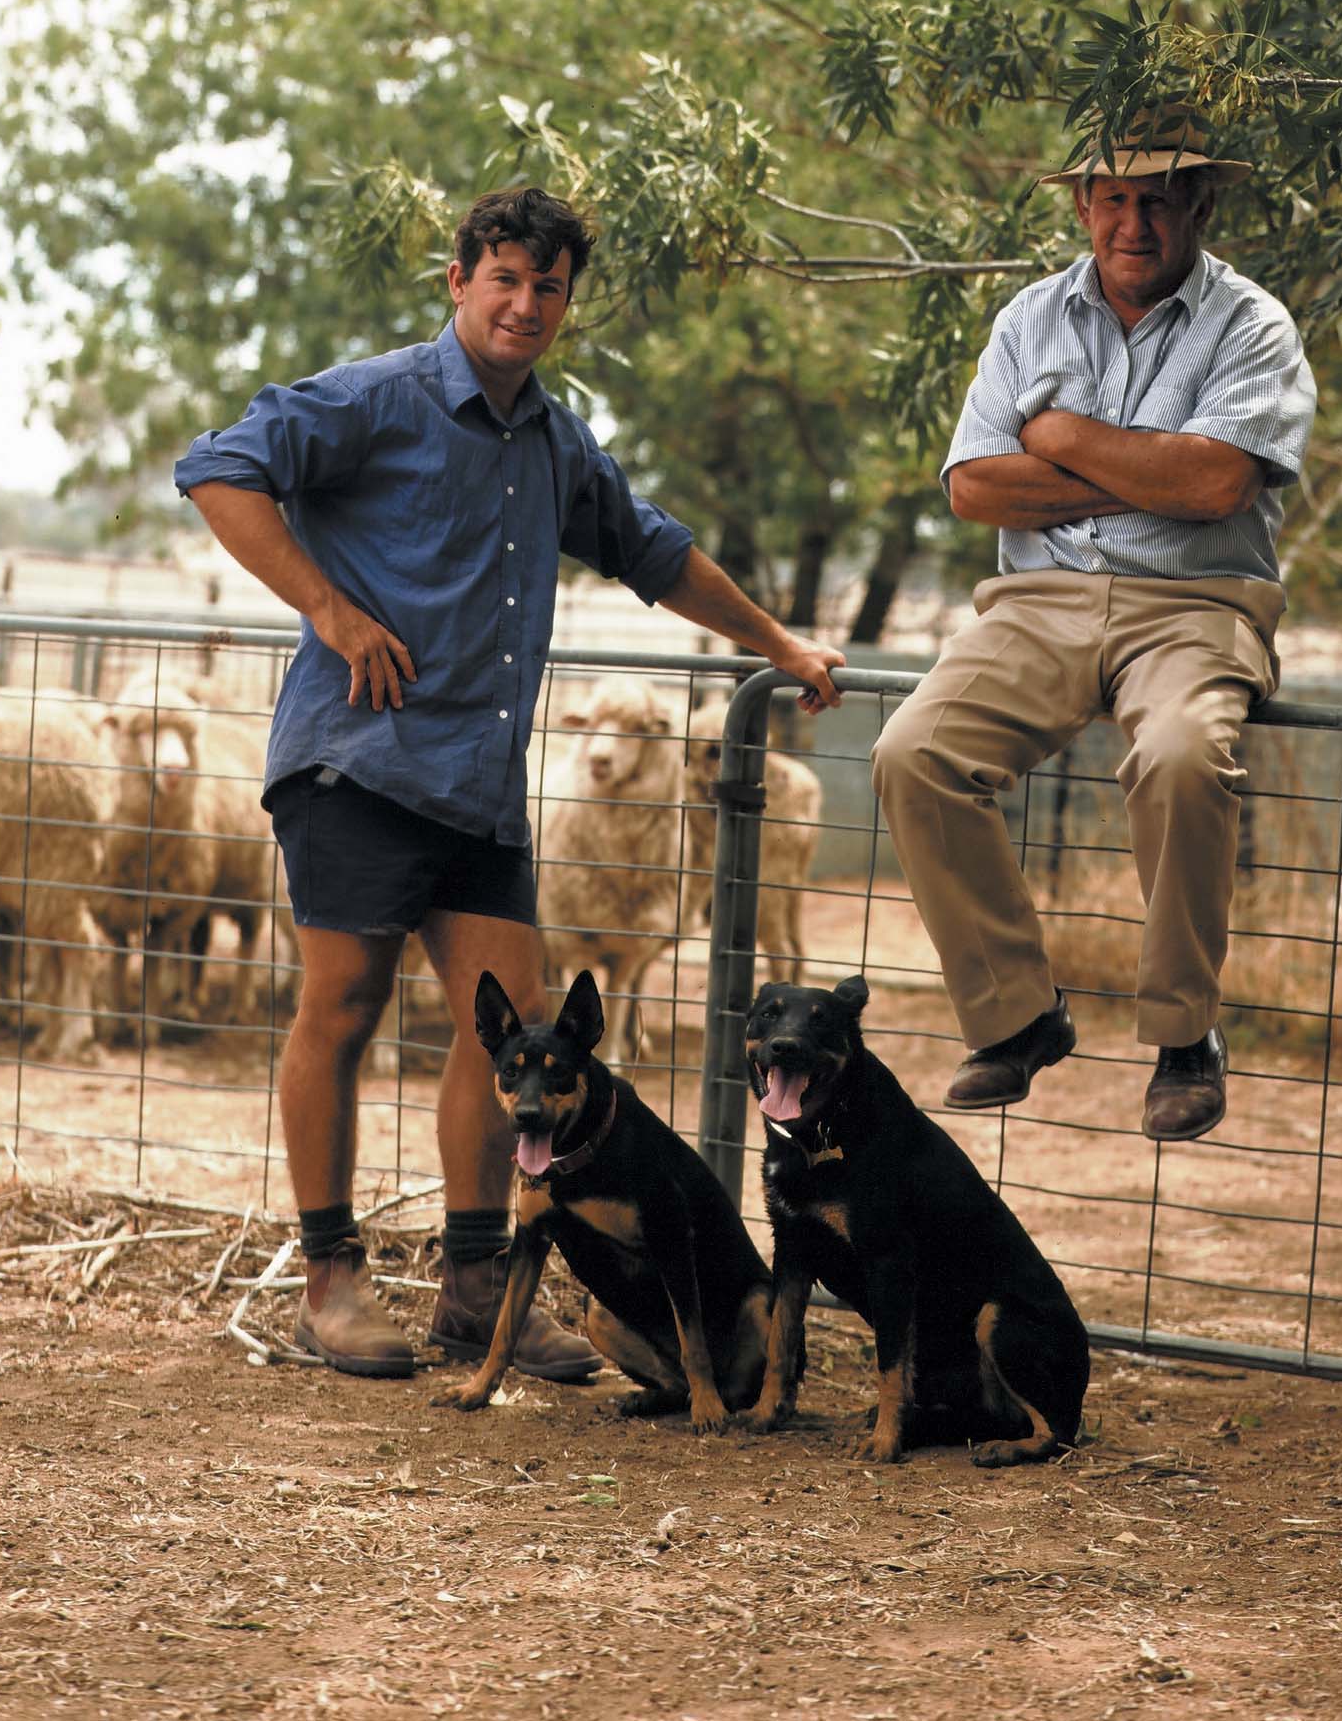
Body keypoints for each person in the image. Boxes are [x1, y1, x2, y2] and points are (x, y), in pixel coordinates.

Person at [175, 187, 844, 1379]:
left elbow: (651, 549)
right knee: (341, 1001)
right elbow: (218, 469)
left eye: (548, 287)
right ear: (458, 280)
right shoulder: (373, 398)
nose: (524, 303)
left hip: (475, 782)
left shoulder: (553, 440)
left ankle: (474, 1282)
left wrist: (778, 646)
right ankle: (329, 1282)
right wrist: (327, 608)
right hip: (358, 755)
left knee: (517, 1032)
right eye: (504, 279)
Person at [870, 109, 1316, 1142]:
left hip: (1196, 607)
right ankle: (1016, 1016)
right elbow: (976, 486)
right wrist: (1143, 472)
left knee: (1179, 758)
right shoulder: (1029, 317)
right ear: (1080, 205)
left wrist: (1063, 439)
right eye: (1111, 197)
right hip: (1037, 604)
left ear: (1198, 203)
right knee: (910, 752)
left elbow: (1212, 483)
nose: (1133, 220)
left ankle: (1180, 1037)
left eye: (1157, 198)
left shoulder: (1252, 325)